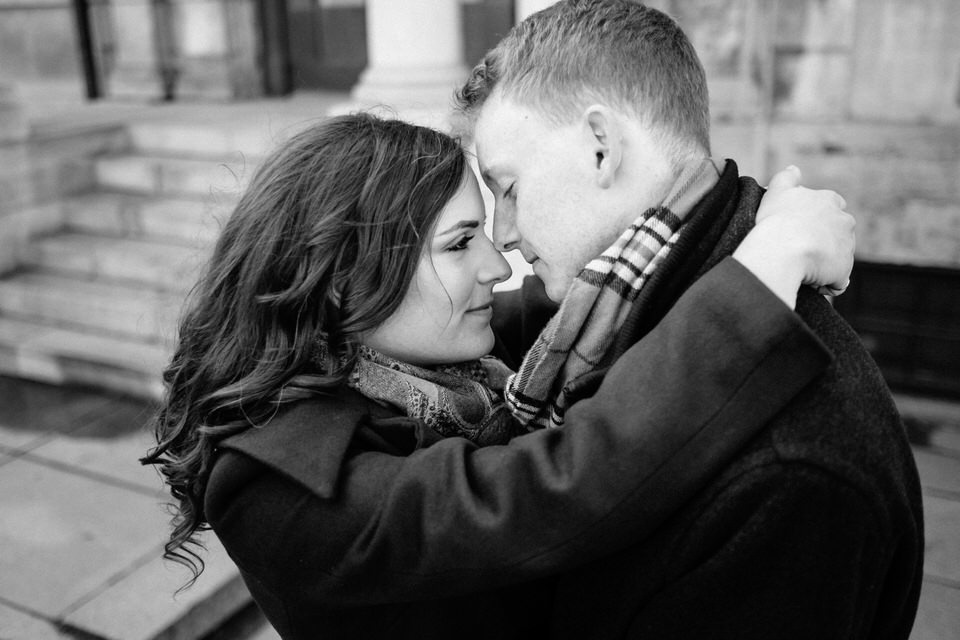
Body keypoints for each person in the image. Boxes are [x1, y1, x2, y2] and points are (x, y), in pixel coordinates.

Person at [142, 112, 854, 639]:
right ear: (343, 284)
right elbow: (555, 488)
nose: (496, 263)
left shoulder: (432, 360)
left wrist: (717, 220)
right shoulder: (274, 485)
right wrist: (764, 275)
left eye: (485, 228)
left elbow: (597, 290)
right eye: (459, 243)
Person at [454, 1, 924, 638]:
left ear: (601, 149)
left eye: (507, 188)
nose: (503, 235)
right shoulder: (604, 317)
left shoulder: (790, 474)